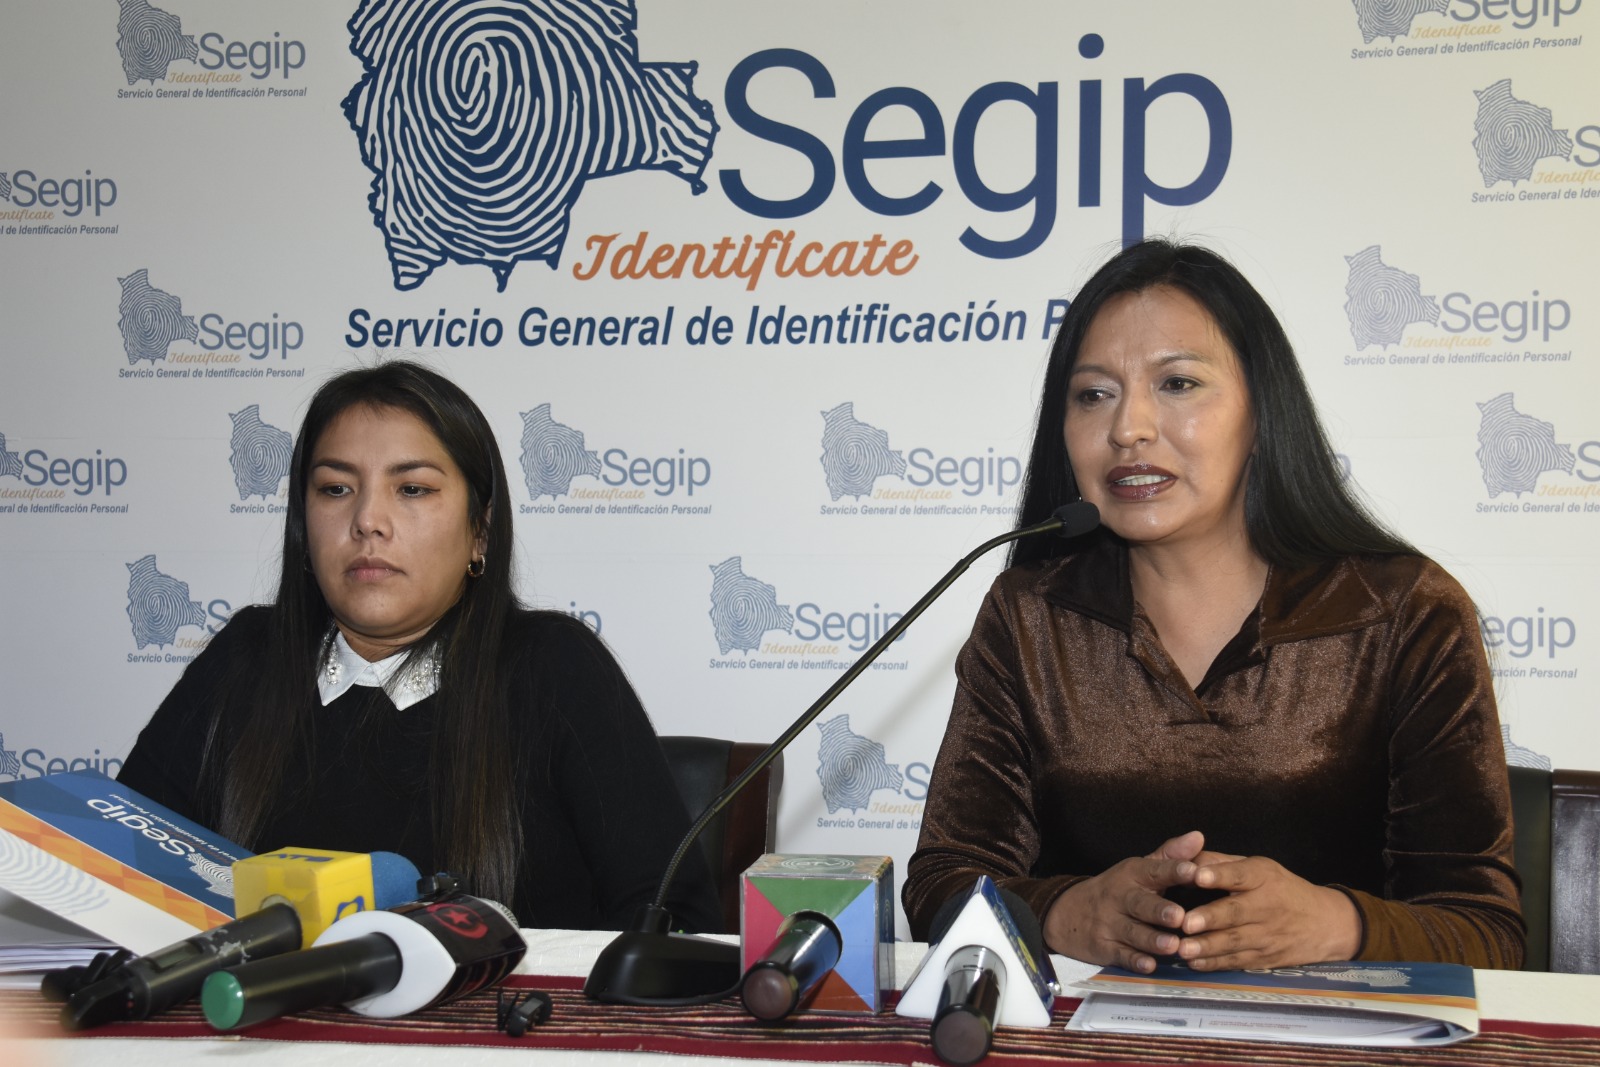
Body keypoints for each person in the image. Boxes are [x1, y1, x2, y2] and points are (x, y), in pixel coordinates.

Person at [902, 240, 1523, 972]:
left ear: (1261, 413)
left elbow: (1486, 931)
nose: (1128, 427)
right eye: (1093, 394)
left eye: (1178, 383)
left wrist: (1338, 924)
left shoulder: (1403, 613)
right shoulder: (1030, 614)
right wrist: (1067, 913)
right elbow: (942, 886)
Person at [119, 361, 719, 933]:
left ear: (480, 531)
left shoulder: (554, 668)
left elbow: (678, 924)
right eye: (335, 488)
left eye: (411, 488)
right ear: (303, 526)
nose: (367, 520)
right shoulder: (245, 658)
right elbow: (114, 870)